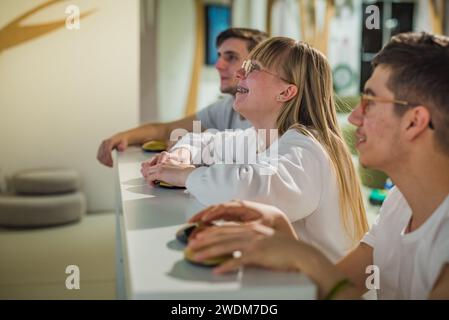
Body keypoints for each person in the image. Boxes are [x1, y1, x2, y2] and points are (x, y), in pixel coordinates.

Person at [186, 32, 449, 300]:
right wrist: (283, 233)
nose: (355, 117)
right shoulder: (400, 202)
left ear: (414, 122)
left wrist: (306, 258)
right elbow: (344, 284)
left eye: (370, 102)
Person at [141, 37, 368, 262]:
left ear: (286, 92)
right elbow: (207, 141)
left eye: (254, 68)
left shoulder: (307, 148)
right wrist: (180, 155)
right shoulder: (265, 137)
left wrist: (184, 174)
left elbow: (251, 189)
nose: (239, 73)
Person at [97, 28, 268, 167]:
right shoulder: (226, 106)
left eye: (231, 57)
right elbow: (167, 130)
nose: (218, 65)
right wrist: (123, 137)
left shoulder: (274, 116)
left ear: (258, 66)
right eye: (219, 57)